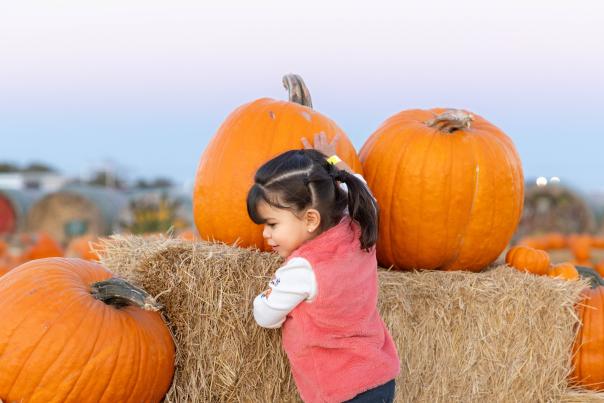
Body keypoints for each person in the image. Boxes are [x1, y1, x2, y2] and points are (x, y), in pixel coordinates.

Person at [247, 133, 400, 403]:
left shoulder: (303, 269)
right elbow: (363, 191)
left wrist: (264, 295)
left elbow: (265, 315)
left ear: (310, 219)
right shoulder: (358, 225)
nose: (265, 235)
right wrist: (333, 160)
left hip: (340, 392)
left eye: (272, 224)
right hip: (380, 380)